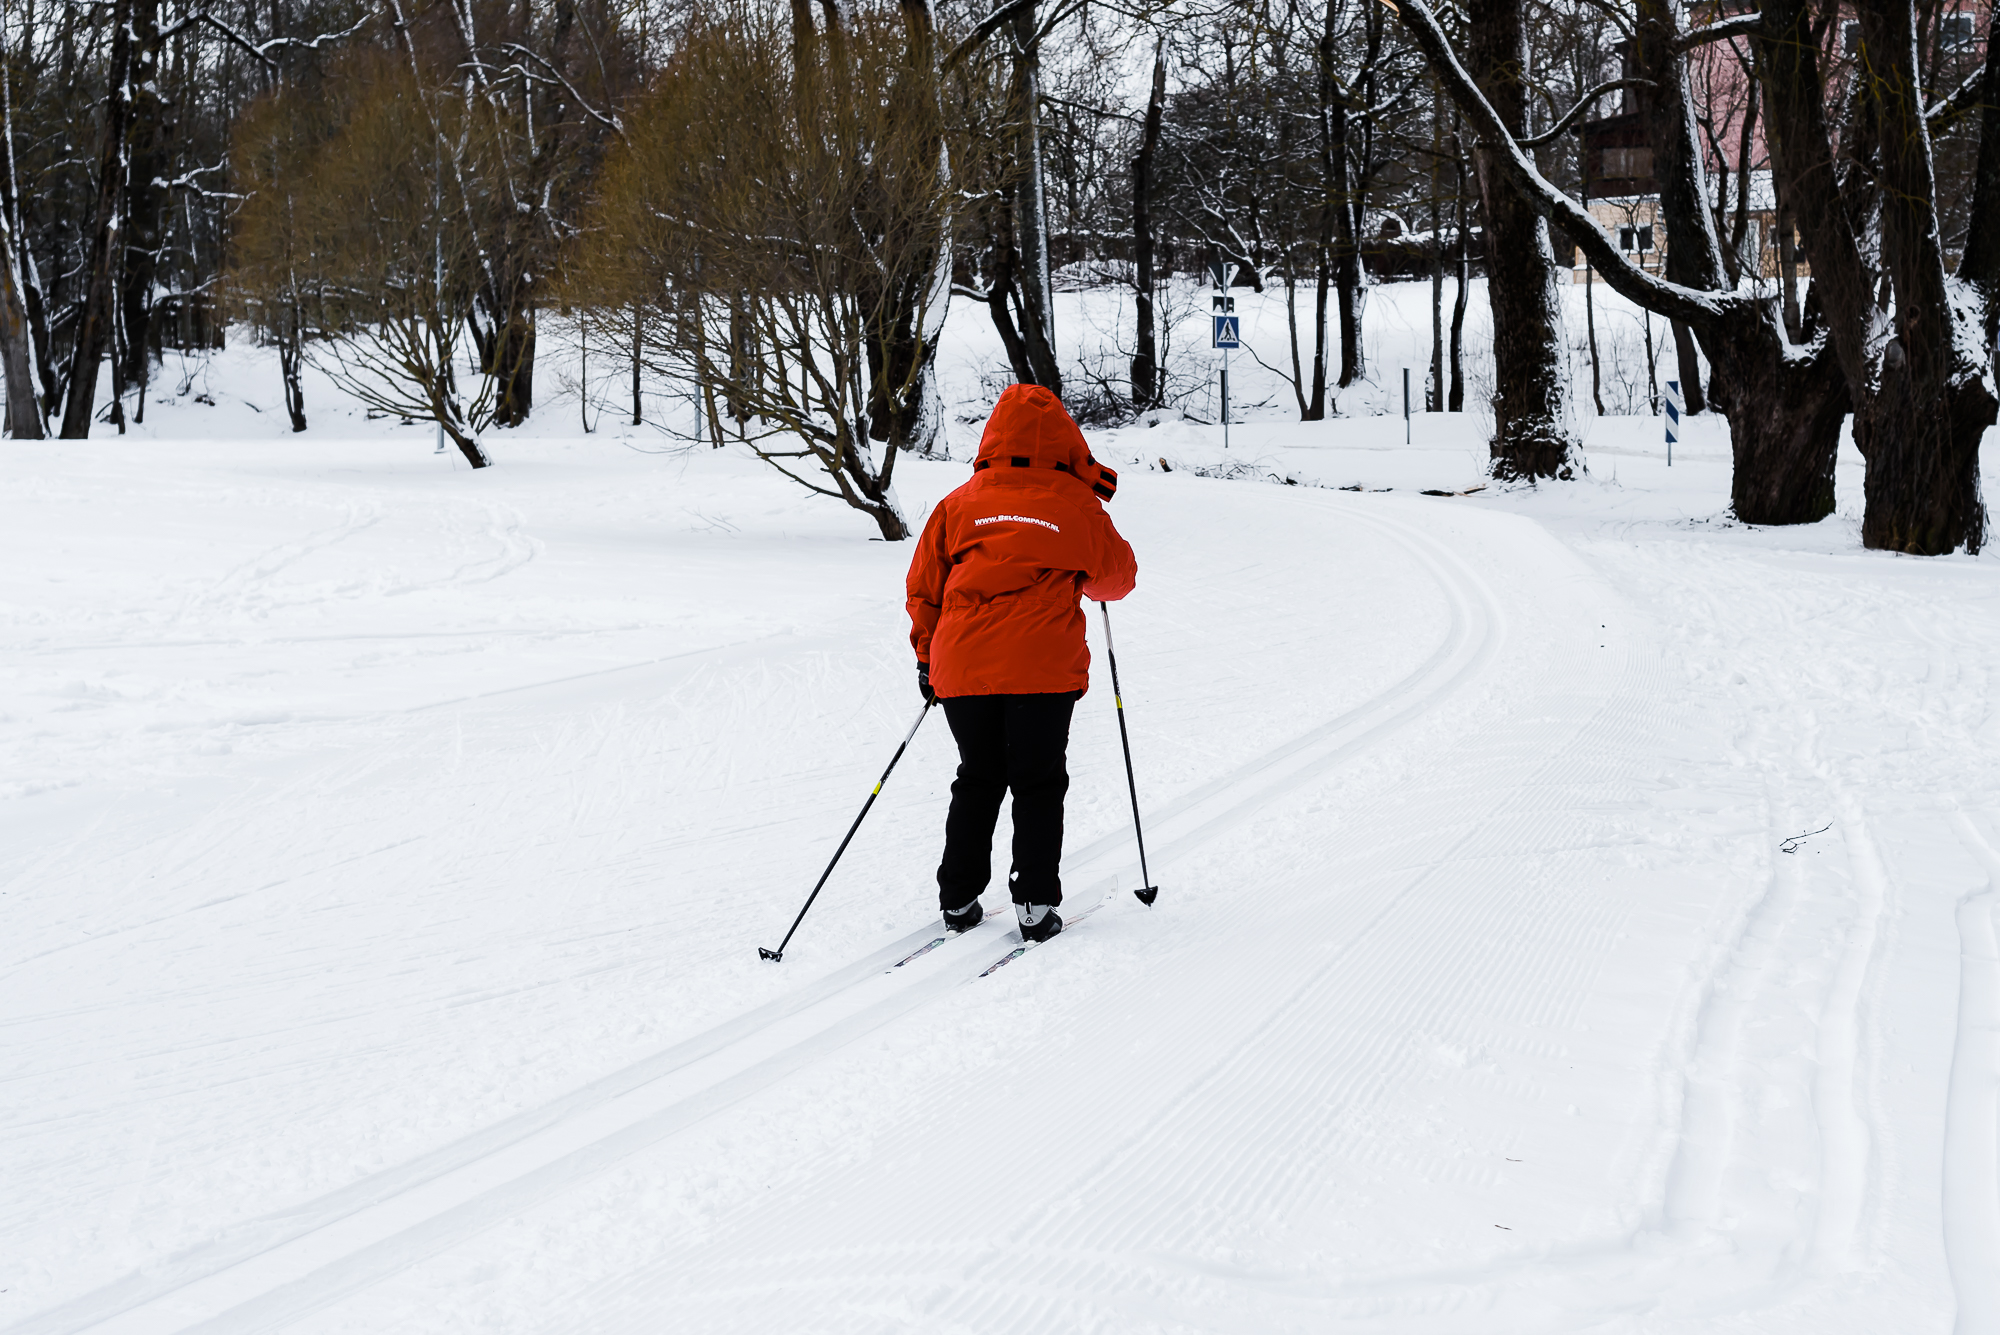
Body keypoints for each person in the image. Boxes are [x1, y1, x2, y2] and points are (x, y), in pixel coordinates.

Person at [905, 385, 1138, 943]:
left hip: (961, 665)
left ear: (994, 436)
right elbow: (1117, 580)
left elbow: (924, 590)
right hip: (1042, 668)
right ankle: (1034, 901)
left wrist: (924, 658)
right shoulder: (1078, 504)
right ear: (1065, 440)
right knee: (1037, 780)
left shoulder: (958, 504)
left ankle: (959, 900)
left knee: (978, 777)